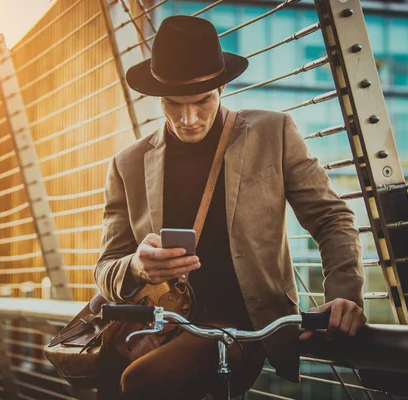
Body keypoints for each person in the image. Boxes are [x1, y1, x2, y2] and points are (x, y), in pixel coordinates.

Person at [94, 15, 366, 400]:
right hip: (158, 325)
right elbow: (106, 268)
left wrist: (344, 294)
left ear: (222, 86)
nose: (188, 119)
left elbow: (331, 217)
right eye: (173, 103)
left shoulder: (274, 133)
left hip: (242, 328)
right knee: (111, 383)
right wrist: (137, 266)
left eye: (202, 101)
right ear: (158, 97)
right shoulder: (128, 163)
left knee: (141, 384)